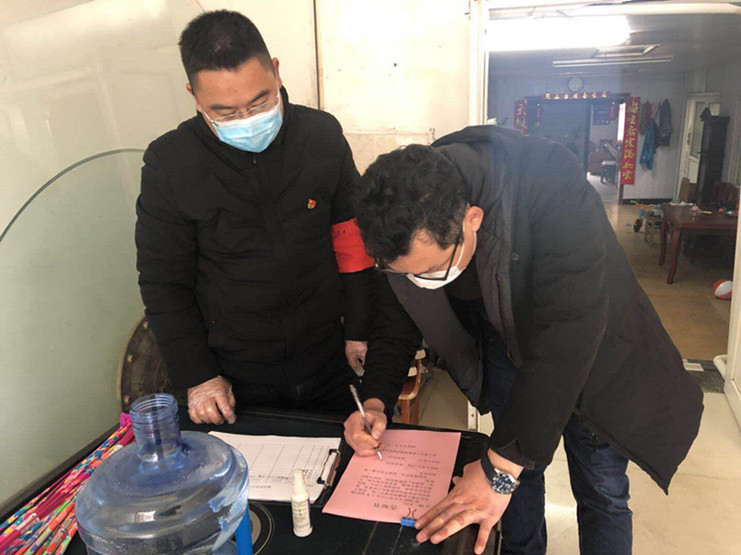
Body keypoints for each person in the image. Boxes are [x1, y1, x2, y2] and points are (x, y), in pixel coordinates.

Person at [343, 126, 703, 555]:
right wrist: (375, 401)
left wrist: (499, 469)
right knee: (518, 479)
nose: (420, 282)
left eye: (431, 270)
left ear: (472, 220)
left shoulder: (549, 179)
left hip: (591, 353)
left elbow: (570, 326)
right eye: (405, 274)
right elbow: (397, 318)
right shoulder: (402, 210)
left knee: (601, 488)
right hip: (504, 345)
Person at [136, 10, 374, 426]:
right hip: (235, 377)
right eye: (226, 112)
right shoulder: (170, 163)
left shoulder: (320, 136)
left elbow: (352, 240)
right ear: (194, 95)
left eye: (260, 102)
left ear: (276, 72)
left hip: (328, 357)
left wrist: (360, 327)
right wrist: (199, 375)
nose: (247, 120)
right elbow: (163, 281)